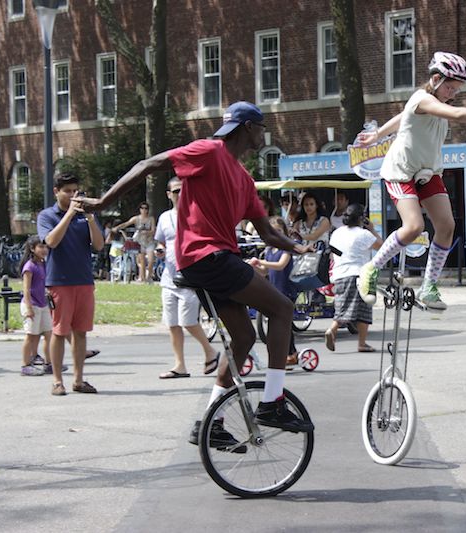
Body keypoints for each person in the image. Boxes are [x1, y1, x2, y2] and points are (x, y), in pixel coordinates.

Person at [81, 101, 314, 447]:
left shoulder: (245, 180)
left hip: (211, 262)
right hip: (208, 257)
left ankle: (211, 422)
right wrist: (102, 203)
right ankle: (272, 402)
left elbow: (267, 234)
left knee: (245, 338)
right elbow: (149, 164)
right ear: (248, 128)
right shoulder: (209, 150)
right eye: (261, 127)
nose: (264, 133)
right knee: (282, 309)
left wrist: (297, 247)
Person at [356, 51, 466, 311]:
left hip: (427, 171)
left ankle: (428, 287)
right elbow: (456, 115)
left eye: (457, 89)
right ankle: (371, 268)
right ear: (435, 79)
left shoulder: (420, 104)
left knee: (446, 225)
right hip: (401, 170)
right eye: (450, 87)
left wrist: (379, 132)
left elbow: (403, 117)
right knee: (413, 226)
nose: (453, 93)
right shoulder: (422, 98)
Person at [37, 172, 105, 396]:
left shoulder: (86, 216)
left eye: (75, 191)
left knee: (81, 332)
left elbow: (98, 245)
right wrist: (69, 215)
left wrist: (90, 218)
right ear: (56, 191)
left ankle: (78, 379)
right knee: (59, 332)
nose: (72, 196)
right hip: (59, 282)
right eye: (67, 191)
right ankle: (57, 381)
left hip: (84, 280)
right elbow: (51, 241)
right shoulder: (47, 216)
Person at [155, 176, 220, 379]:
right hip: (169, 278)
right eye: (176, 191)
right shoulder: (165, 217)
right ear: (169, 195)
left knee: (189, 321)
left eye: (183, 190)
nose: (180, 194)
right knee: (172, 324)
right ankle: (180, 365)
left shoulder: (197, 213)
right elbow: (161, 242)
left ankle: (210, 351)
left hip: (191, 278)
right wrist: (159, 249)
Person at [325, 204, 383, 352]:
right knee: (362, 310)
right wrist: (372, 229)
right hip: (359, 274)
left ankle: (358, 341)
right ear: (361, 218)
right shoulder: (364, 234)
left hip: (339, 274)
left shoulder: (337, 233)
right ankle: (335, 331)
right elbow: (381, 246)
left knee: (344, 306)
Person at [248, 216, 300, 368]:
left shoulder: (286, 250)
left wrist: (260, 262)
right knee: (278, 323)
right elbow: (264, 271)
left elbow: (280, 265)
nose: (277, 234)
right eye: (274, 231)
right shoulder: (269, 250)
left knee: (286, 323)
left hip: (287, 289)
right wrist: (254, 267)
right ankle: (286, 353)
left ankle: (292, 353)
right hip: (275, 289)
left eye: (279, 231)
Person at [19, 235, 53, 376]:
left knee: (48, 334)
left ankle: (49, 363)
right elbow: (26, 289)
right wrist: (29, 308)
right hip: (32, 304)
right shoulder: (29, 266)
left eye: (45, 246)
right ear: (32, 249)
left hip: (43, 304)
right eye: (40, 246)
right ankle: (25, 365)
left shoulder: (44, 264)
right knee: (31, 336)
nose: (44, 249)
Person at [114, 202, 156, 283]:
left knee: (151, 260)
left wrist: (147, 232)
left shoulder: (151, 219)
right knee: (142, 261)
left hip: (149, 241)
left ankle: (149, 276)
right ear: (140, 209)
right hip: (139, 242)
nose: (144, 210)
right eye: (142, 208)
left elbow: (153, 230)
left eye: (146, 208)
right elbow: (126, 223)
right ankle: (143, 279)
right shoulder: (136, 219)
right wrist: (117, 227)